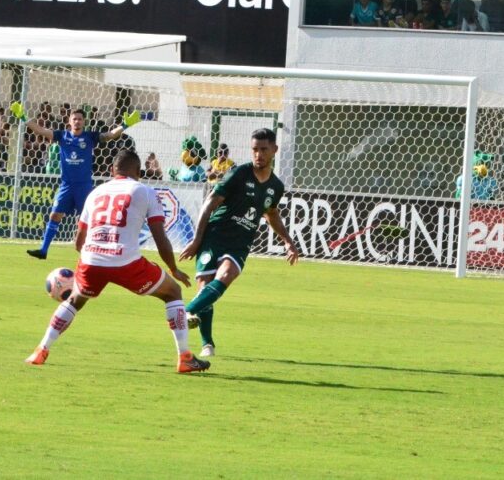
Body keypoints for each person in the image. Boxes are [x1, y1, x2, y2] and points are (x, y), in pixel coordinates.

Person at [24, 150, 209, 373]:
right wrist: (173, 269)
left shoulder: (96, 192)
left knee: (74, 300)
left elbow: (78, 241)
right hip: (126, 261)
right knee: (173, 292)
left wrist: (90, 262)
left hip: (91, 258)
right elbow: (161, 239)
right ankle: (185, 357)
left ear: (113, 171)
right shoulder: (145, 191)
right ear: (139, 172)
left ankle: (40, 350)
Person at [179, 128, 300, 358]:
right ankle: (208, 344)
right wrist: (196, 240)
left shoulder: (276, 186)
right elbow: (209, 204)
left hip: (240, 242)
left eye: (264, 149)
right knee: (204, 287)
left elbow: (271, 214)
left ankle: (186, 311)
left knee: (226, 275)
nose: (258, 154)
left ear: (274, 150)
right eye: (255, 149)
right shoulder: (238, 174)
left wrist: (288, 242)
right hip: (214, 234)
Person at [11, 102, 139, 259]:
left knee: (86, 221)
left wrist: (125, 125)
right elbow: (40, 130)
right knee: (55, 215)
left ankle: (93, 253)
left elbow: (110, 135)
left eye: (80, 119)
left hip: (84, 187)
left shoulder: (90, 137)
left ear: (84, 122)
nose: (77, 121)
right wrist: (23, 117)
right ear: (69, 121)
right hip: (66, 185)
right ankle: (43, 250)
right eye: (74, 119)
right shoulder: (61, 136)